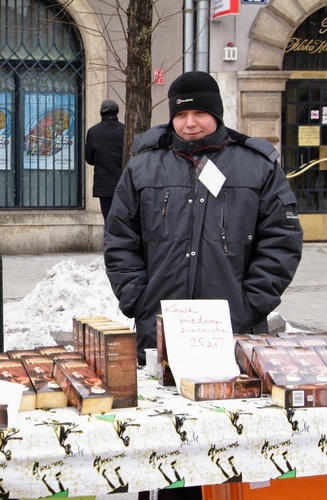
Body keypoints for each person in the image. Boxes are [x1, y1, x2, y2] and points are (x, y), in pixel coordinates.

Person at [104, 70, 303, 366]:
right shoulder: (142, 167)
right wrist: (138, 300)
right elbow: (120, 239)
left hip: (233, 328)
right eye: (181, 113)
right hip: (160, 325)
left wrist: (251, 305)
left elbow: (282, 241)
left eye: (199, 112)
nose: (190, 123)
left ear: (217, 113)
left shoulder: (258, 166)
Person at [85, 99, 125, 221]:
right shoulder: (125, 130)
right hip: (123, 183)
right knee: (123, 219)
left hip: (104, 183)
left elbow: (90, 159)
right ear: (117, 112)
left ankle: (109, 240)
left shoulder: (93, 131)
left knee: (108, 218)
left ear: (101, 113)